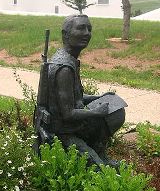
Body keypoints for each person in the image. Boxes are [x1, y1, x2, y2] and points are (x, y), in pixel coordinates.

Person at [35, 14, 126, 166]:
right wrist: (97, 112)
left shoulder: (67, 59)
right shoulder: (64, 68)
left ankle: (98, 150)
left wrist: (99, 96)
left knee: (114, 105)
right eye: (81, 28)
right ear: (66, 34)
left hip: (72, 125)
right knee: (100, 170)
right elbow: (68, 113)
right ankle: (95, 154)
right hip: (64, 131)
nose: (87, 33)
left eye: (89, 29)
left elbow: (76, 97)